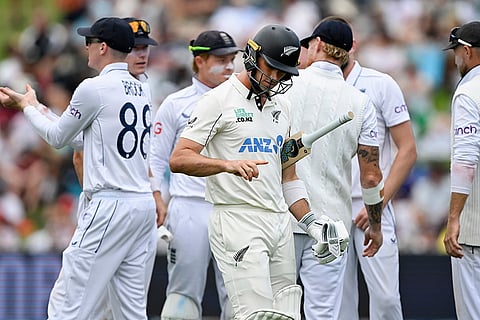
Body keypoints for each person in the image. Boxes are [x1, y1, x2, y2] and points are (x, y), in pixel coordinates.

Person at [169, 24, 348, 319]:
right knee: (257, 315)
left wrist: (313, 224)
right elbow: (179, 158)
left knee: (287, 312)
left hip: (279, 222)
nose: (275, 78)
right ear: (252, 56)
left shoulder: (283, 106)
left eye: (282, 73)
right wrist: (227, 165)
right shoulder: (218, 100)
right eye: (271, 68)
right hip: (237, 218)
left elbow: (288, 178)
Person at [0, 17, 158, 320]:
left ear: (102, 47)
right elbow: (85, 136)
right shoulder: (143, 89)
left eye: (90, 41)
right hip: (141, 206)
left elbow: (59, 137)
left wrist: (27, 108)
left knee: (66, 305)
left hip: (111, 205)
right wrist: (40, 108)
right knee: (130, 311)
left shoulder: (93, 87)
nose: (85, 47)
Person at [284, 19, 384, 319]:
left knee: (278, 307)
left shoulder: (286, 86)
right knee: (324, 313)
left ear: (315, 45)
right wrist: (376, 227)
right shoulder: (362, 102)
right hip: (331, 223)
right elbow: (370, 176)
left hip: (284, 216)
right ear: (346, 54)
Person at [149, 29, 241, 320]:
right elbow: (156, 157)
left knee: (239, 294)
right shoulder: (176, 104)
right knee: (183, 295)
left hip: (234, 206)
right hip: (189, 205)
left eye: (232, 59)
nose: (229, 66)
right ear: (199, 60)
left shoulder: (246, 101)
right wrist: (157, 197)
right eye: (221, 59)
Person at [333, 16, 417, 320]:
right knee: (338, 302)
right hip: (331, 206)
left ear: (353, 46)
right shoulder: (309, 88)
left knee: (385, 299)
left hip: (372, 204)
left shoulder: (380, 84)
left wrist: (377, 204)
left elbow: (407, 150)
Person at [442, 21, 480, 320]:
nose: (455, 59)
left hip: (475, 230)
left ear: (467, 51)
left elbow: (466, 159)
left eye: (456, 51)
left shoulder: (468, 92)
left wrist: (454, 217)